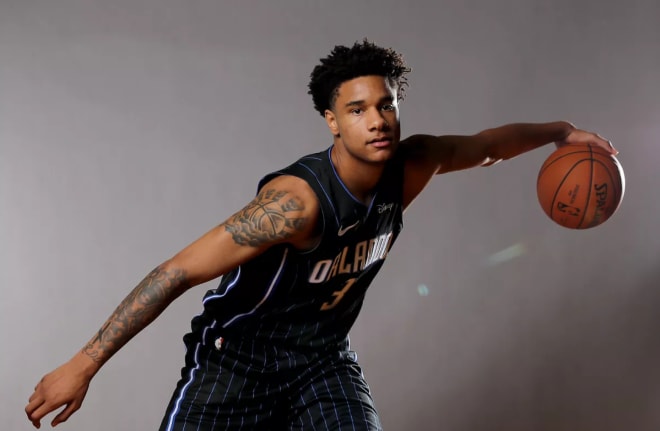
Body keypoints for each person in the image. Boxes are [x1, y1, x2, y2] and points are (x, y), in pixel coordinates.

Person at [25, 39, 617, 430]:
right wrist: (83, 363)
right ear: (332, 121)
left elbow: (488, 148)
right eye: (358, 109)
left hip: (320, 360)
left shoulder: (413, 164)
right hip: (238, 364)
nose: (378, 119)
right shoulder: (296, 203)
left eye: (385, 104)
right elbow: (176, 273)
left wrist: (561, 132)